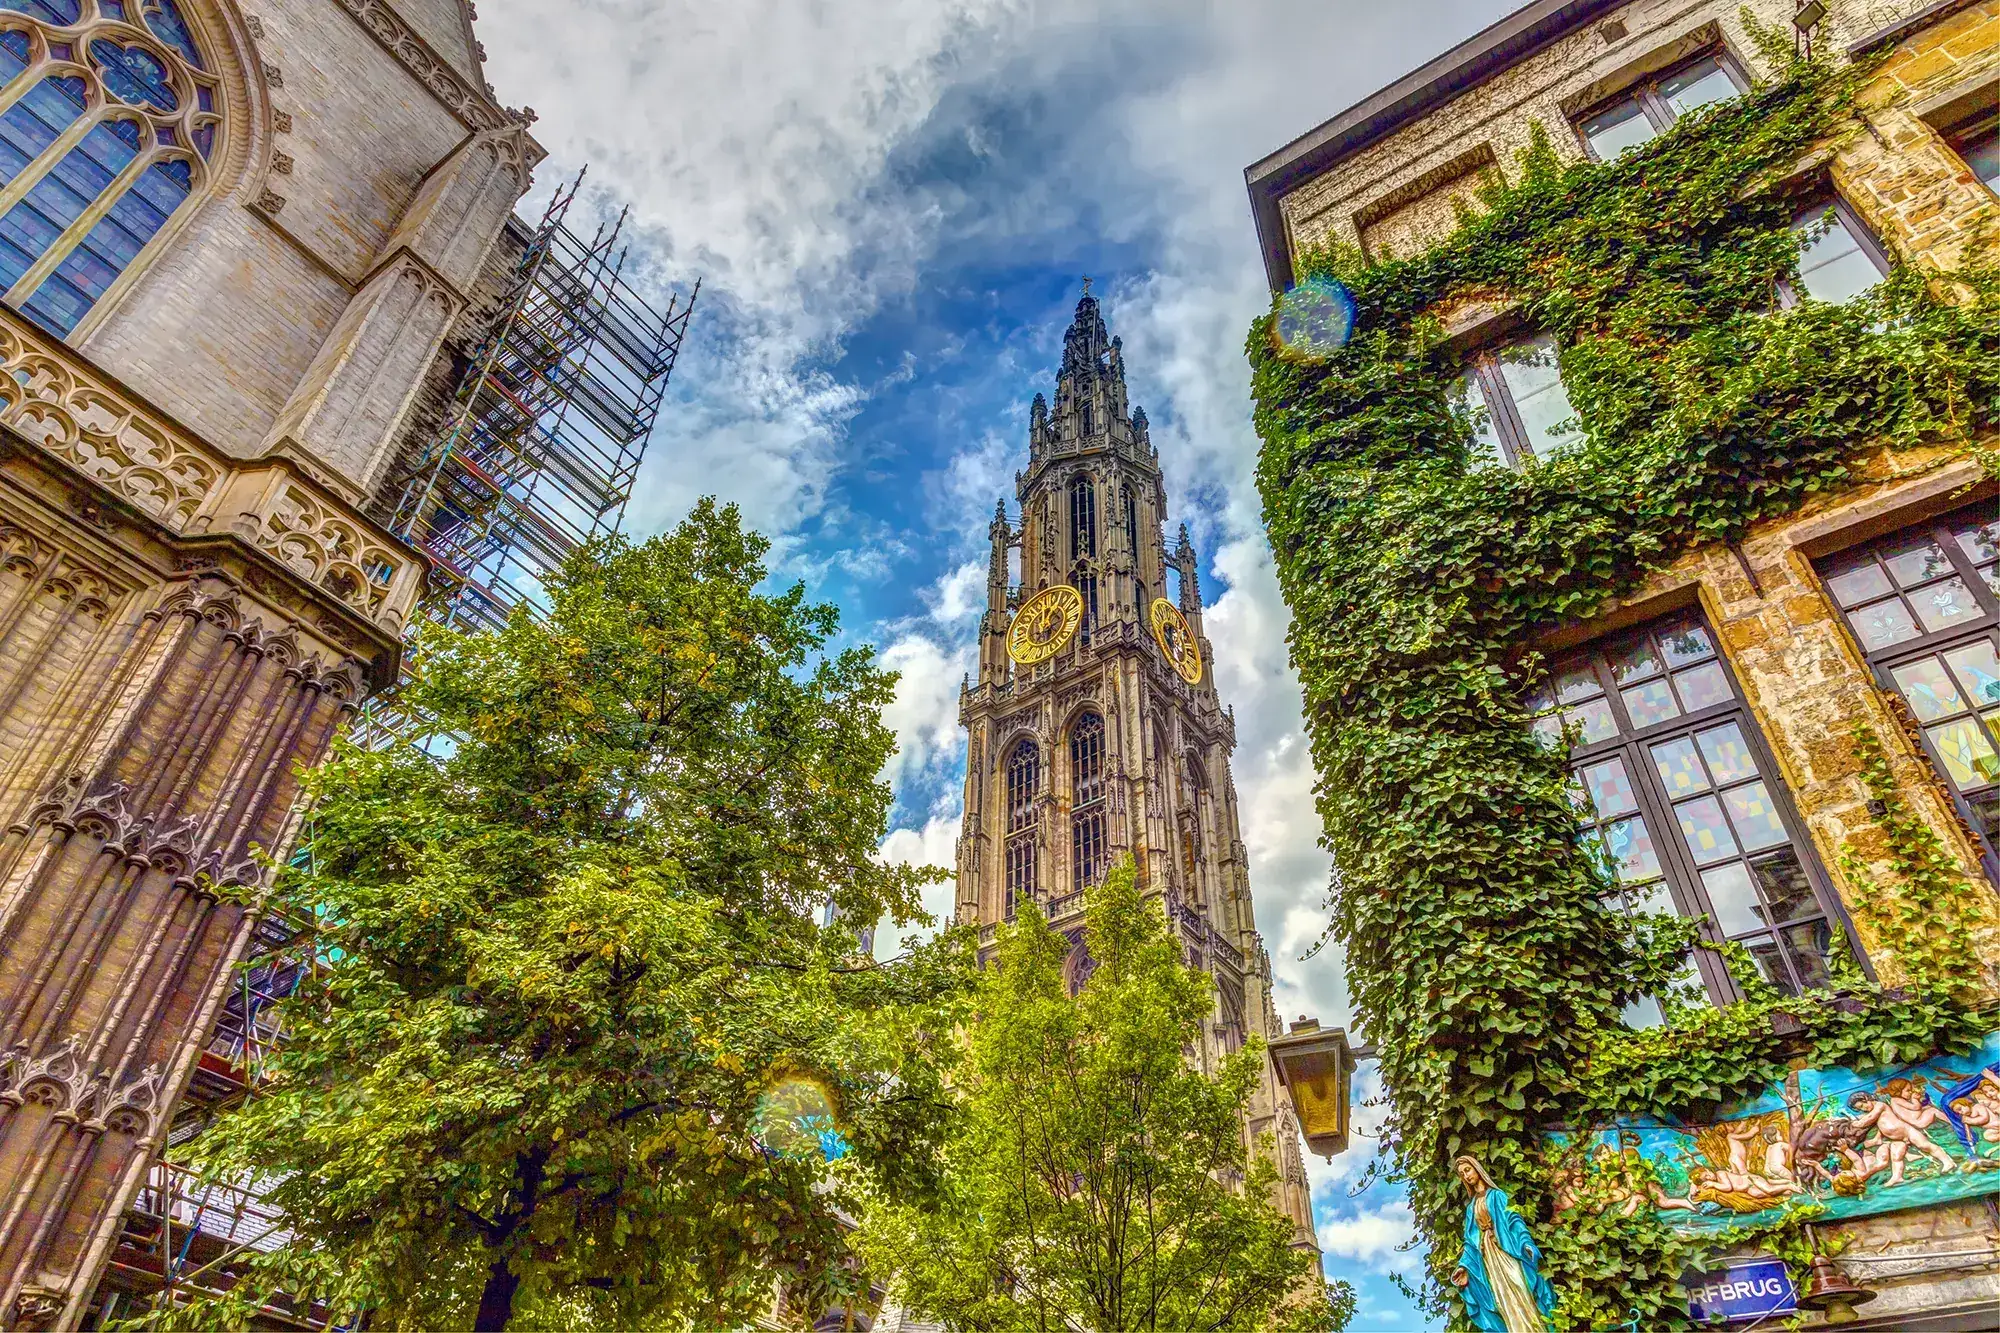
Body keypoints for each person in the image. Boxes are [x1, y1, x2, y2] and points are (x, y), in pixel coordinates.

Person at [1450, 1156, 1557, 1333]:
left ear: (1477, 1169)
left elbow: (1513, 1219)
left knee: (1521, 1286)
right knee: (1502, 1299)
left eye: (1467, 1170)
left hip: (1507, 1249)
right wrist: (1463, 1266)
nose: (1466, 1176)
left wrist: (1525, 1242)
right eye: (1462, 1174)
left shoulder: (1497, 1195)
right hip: (1488, 1258)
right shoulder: (1471, 1208)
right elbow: (1470, 1241)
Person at [1848, 1086, 1958, 1186]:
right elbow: (1864, 1117)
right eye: (1860, 1109)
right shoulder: (1871, 1111)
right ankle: (1897, 1177)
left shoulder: (1880, 1105)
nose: (1863, 1109)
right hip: (1896, 1138)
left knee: (1925, 1145)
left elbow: (1868, 1119)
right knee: (1896, 1156)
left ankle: (1947, 1161)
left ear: (1866, 1098)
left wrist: (1858, 1124)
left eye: (1862, 1105)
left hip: (1907, 1132)